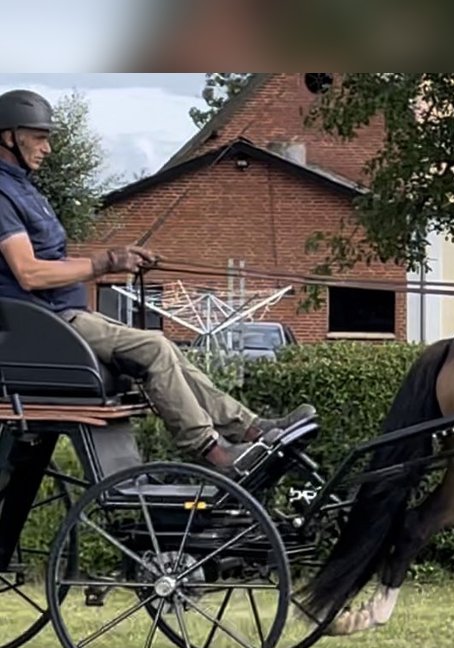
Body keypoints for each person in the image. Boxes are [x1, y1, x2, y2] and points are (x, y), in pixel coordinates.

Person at [0, 89, 314, 474]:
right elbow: (28, 272)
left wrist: (118, 258)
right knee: (152, 349)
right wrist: (103, 263)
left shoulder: (26, 191)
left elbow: (54, 260)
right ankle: (214, 453)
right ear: (8, 136)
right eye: (40, 136)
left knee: (162, 345)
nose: (47, 147)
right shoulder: (2, 194)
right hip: (42, 324)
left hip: (63, 316)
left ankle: (251, 429)